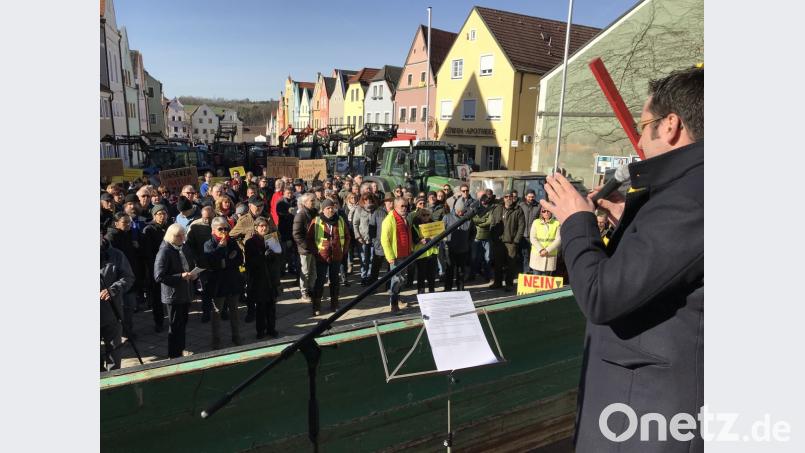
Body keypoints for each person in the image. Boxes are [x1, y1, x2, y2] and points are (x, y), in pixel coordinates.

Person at [539, 67, 703, 452]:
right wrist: (627, 218)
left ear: (670, 125)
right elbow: (664, 269)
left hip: (647, 410)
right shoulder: (690, 189)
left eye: (644, 125)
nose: (640, 140)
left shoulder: (689, 198)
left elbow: (602, 296)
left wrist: (577, 221)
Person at [154, 223, 197, 359]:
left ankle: (181, 349)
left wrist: (194, 274)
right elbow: (158, 276)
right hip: (173, 296)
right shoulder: (164, 251)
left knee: (182, 324)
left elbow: (189, 265)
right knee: (175, 326)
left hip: (185, 292)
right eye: (179, 236)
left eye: (183, 235)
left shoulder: (183, 247)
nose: (183, 238)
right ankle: (173, 355)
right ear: (171, 236)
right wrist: (180, 276)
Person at [204, 217, 244, 348]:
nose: (224, 231)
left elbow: (239, 259)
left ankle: (236, 336)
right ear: (213, 230)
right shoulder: (209, 244)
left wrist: (224, 262)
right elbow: (212, 263)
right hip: (218, 284)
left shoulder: (231, 241)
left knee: (234, 311)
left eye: (226, 228)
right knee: (217, 313)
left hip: (232, 281)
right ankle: (216, 340)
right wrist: (221, 249)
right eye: (220, 229)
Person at [307, 199, 351, 315]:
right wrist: (315, 252)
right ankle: (316, 306)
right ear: (323, 209)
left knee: (335, 280)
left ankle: (334, 304)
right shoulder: (316, 221)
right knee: (320, 281)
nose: (331, 210)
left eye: (332, 208)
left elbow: (347, 236)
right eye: (328, 208)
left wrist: (344, 250)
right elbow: (309, 239)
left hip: (336, 255)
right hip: (321, 256)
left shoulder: (340, 220)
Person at [100, 232, 134, 371]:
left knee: (114, 350)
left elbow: (128, 277)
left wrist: (113, 289)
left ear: (101, 235)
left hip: (111, 311)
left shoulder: (116, 255)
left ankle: (114, 378)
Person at [244, 217, 282, 338]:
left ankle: (271, 328)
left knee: (271, 306)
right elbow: (249, 262)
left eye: (266, 226)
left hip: (271, 277)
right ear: (256, 228)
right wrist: (262, 256)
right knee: (261, 307)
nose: (264, 228)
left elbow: (279, 258)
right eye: (261, 226)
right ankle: (260, 330)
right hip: (259, 279)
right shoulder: (250, 242)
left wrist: (274, 255)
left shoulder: (272, 239)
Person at [141, 204, 170, 332]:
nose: (162, 216)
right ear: (154, 216)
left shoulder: (169, 227)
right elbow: (147, 253)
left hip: (170, 267)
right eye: (159, 214)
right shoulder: (148, 230)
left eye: (164, 213)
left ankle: (172, 319)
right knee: (157, 297)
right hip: (156, 268)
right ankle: (159, 322)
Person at [380, 197, 413, 312]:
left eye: (406, 206)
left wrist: (410, 250)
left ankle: (397, 299)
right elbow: (385, 240)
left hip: (405, 254)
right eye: (402, 206)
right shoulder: (389, 220)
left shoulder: (405, 218)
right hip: (396, 256)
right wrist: (390, 256)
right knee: (396, 280)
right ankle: (393, 304)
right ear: (395, 206)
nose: (404, 208)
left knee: (401, 279)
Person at [489, 190, 525, 291]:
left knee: (511, 264)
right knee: (498, 263)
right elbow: (492, 223)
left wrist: (516, 240)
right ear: (503, 198)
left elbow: (521, 226)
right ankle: (497, 282)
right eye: (506, 196)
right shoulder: (497, 209)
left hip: (511, 242)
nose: (508, 198)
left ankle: (509, 284)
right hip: (498, 241)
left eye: (510, 196)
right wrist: (494, 237)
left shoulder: (518, 210)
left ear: (513, 198)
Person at [186, 206, 214, 322]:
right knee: (206, 289)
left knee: (219, 287)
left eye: (209, 218)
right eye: (205, 218)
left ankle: (222, 310)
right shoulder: (195, 225)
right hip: (203, 262)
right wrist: (196, 259)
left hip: (217, 261)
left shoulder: (219, 222)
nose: (207, 220)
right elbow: (189, 245)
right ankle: (206, 312)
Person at [443, 199, 474, 291]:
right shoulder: (447, 217)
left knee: (461, 271)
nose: (461, 213)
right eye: (459, 211)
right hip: (450, 249)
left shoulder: (468, 219)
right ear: (455, 209)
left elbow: (473, 232)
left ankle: (460, 289)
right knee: (449, 270)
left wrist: (468, 242)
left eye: (463, 211)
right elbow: (441, 231)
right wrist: (445, 242)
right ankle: (448, 289)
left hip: (463, 249)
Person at [293, 193, 318, 302]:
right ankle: (304, 293)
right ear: (304, 202)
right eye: (311, 200)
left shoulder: (315, 212)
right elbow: (296, 234)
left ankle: (311, 290)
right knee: (305, 272)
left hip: (314, 247)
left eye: (314, 200)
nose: (313, 202)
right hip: (305, 249)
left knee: (313, 271)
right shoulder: (300, 215)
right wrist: (306, 246)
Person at [411, 208, 438, 294]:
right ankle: (421, 292)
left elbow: (439, 236)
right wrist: (419, 240)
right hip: (421, 253)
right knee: (421, 274)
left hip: (432, 252)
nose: (426, 216)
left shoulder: (434, 224)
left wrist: (435, 238)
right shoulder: (415, 225)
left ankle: (431, 290)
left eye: (428, 215)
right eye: (423, 215)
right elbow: (413, 238)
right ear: (420, 216)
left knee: (431, 274)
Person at [352, 193, 376, 286]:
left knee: (372, 259)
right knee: (364, 259)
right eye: (366, 199)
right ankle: (363, 277)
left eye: (369, 199)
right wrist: (358, 236)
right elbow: (355, 224)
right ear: (363, 200)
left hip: (374, 239)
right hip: (363, 239)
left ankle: (369, 277)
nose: (368, 201)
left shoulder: (375, 209)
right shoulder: (359, 209)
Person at [529, 207, 561, 276]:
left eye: (548, 211)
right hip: (537, 254)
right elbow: (532, 238)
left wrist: (547, 250)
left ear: (551, 212)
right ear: (541, 212)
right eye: (544, 211)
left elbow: (558, 239)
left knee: (546, 279)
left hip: (550, 255)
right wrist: (541, 250)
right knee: (536, 278)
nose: (546, 213)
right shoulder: (536, 222)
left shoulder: (556, 223)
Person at [369, 193, 393, 284]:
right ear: (385, 202)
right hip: (379, 244)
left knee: (391, 267)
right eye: (389, 201)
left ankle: (389, 285)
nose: (391, 203)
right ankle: (373, 286)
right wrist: (375, 241)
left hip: (392, 244)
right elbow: (372, 227)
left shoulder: (396, 212)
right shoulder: (378, 212)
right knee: (376, 267)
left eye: (392, 201)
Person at [469, 195, 493, 282]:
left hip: (487, 237)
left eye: (486, 201)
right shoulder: (475, 208)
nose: (484, 203)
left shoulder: (490, 209)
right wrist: (484, 220)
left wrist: (479, 223)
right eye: (483, 201)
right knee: (474, 258)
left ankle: (487, 276)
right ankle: (472, 275)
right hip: (476, 237)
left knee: (488, 258)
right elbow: (473, 219)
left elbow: (489, 221)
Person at [275, 187, 297, 275]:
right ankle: (282, 270)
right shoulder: (281, 202)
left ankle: (291, 268)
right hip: (283, 229)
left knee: (292, 252)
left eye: (291, 193)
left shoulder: (295, 201)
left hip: (293, 229)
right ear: (284, 193)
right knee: (283, 251)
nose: (290, 195)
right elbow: (281, 214)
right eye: (288, 193)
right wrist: (291, 213)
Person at [519, 189, 541, 273]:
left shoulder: (538, 206)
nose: (531, 198)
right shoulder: (521, 205)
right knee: (525, 255)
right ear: (525, 197)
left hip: (534, 235)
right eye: (529, 197)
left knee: (534, 254)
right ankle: (526, 272)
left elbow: (540, 219)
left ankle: (534, 272)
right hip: (523, 234)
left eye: (532, 197)